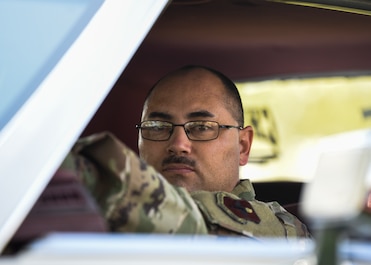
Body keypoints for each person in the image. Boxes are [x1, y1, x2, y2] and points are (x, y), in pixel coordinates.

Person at [64, 65, 310, 238]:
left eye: (202, 127)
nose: (178, 143)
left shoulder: (277, 230)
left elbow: (188, 219)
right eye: (158, 127)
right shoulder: (87, 218)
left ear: (243, 146)